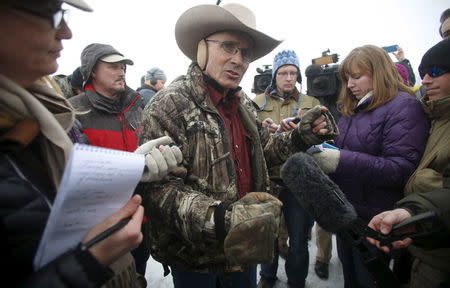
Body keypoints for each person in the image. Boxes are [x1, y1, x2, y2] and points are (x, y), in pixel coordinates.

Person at [136, 3, 338, 288]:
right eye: (229, 47)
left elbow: (266, 152)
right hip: (196, 262)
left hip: (245, 254)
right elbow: (159, 190)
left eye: (245, 53)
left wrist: (300, 137)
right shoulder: (168, 105)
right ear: (202, 48)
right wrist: (222, 219)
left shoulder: (243, 103)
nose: (239, 60)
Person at [0, 0, 144, 286]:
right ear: (92, 71)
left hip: (131, 224)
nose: (65, 31)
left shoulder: (56, 115)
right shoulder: (75, 110)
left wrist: (144, 168)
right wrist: (89, 261)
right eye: (51, 15)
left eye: (123, 67)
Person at [311, 45, 430, 288]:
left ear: (378, 72)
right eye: (346, 79)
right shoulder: (356, 109)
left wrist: (339, 160)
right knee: (351, 279)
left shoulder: (404, 107)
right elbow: (349, 147)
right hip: (349, 214)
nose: (350, 85)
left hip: (378, 220)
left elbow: (400, 168)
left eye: (357, 77)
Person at [374, 38, 449, 288]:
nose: (426, 80)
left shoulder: (408, 109)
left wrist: (413, 211)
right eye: (422, 73)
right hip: (416, 245)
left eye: (436, 72)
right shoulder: (432, 115)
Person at [252, 49, 320, 288]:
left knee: (299, 238)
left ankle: (297, 281)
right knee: (266, 235)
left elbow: (325, 140)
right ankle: (267, 277)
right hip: (268, 180)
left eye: (293, 73)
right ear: (275, 76)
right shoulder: (257, 104)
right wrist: (264, 129)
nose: (289, 78)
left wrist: (306, 131)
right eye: (283, 73)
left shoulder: (312, 103)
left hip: (299, 181)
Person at [69, 43, 142, 152]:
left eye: (123, 68)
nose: (122, 73)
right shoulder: (72, 111)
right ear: (93, 71)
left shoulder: (135, 110)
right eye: (113, 67)